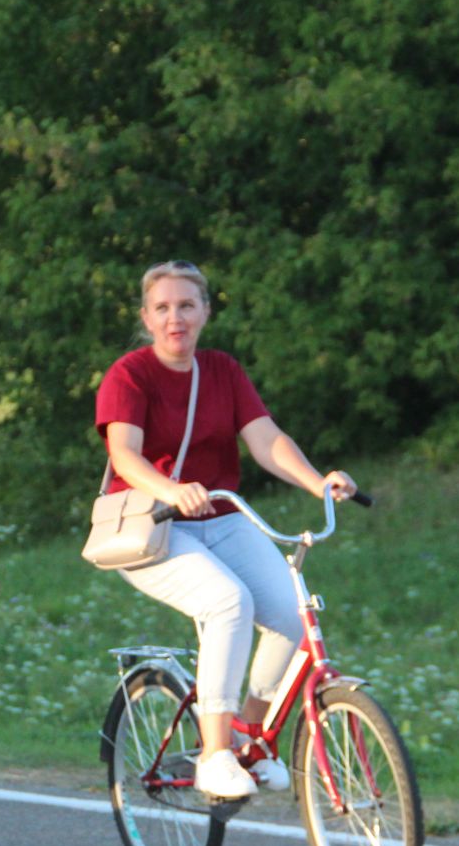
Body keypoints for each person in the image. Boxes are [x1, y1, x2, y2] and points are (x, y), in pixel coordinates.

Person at [95, 260, 356, 801]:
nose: (176, 319)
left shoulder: (222, 371)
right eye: (163, 308)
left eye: (187, 306)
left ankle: (250, 742)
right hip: (155, 525)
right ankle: (214, 755)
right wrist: (170, 490)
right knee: (228, 603)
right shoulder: (130, 375)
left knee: (290, 612)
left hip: (221, 515)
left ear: (206, 312)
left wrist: (318, 483)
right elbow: (124, 454)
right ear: (146, 317)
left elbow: (265, 439)